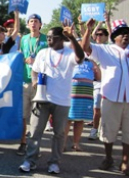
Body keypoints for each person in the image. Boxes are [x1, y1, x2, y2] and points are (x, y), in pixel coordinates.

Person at [19, 26, 84, 174]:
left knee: (59, 133)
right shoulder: (42, 53)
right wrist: (35, 80)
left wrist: (72, 37)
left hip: (62, 100)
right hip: (41, 98)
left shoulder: (69, 53)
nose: (48, 39)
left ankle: (54, 162)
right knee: (35, 131)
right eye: (47, 36)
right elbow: (34, 70)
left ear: (61, 39)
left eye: (52, 37)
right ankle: (30, 160)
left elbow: (80, 59)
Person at [82, 19, 129, 176]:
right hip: (111, 98)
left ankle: (125, 162)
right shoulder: (105, 50)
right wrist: (88, 30)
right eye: (121, 33)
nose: (125, 35)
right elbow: (85, 48)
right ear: (114, 36)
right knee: (108, 131)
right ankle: (108, 159)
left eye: (127, 32)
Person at [17, 14, 48, 156]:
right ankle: (23, 142)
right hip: (25, 82)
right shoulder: (24, 39)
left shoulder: (46, 39)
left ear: (40, 24)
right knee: (23, 116)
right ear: (28, 24)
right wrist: (24, 59)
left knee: (37, 117)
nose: (33, 24)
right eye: (31, 21)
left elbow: (50, 59)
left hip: (40, 83)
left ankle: (35, 146)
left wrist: (36, 60)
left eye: (36, 21)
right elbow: (20, 55)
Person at [63, 52, 100, 152]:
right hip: (72, 89)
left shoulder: (91, 62)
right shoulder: (70, 58)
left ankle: (76, 143)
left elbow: (99, 77)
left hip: (86, 91)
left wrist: (95, 65)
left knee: (80, 119)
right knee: (68, 118)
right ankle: (62, 143)